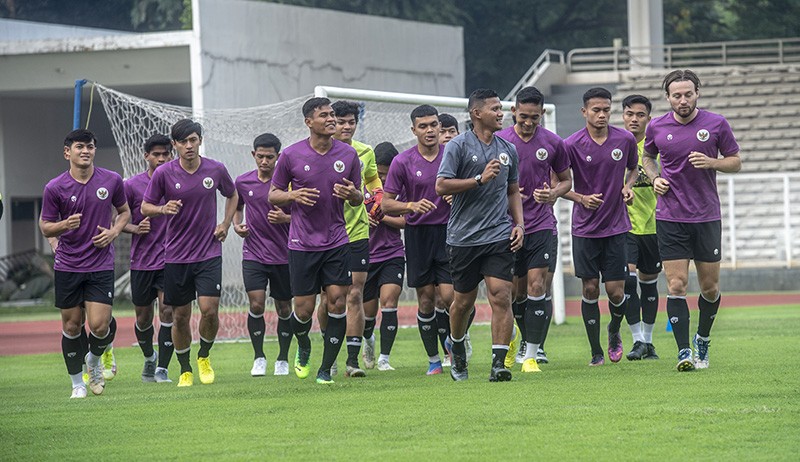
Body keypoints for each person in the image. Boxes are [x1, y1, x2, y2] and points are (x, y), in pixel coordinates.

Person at [642, 69, 741, 371]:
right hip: (670, 216)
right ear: (668, 97)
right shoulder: (656, 126)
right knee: (676, 284)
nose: (682, 100)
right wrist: (655, 177)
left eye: (688, 94)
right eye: (676, 95)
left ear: (697, 93)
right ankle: (684, 351)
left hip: (706, 216)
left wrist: (712, 162)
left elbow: (735, 162)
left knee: (709, 288)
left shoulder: (716, 123)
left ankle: (703, 339)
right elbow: (647, 157)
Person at [269, 97, 363, 385]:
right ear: (309, 122)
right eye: (324, 115)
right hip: (301, 243)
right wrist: (292, 196)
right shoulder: (291, 155)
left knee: (337, 303)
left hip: (336, 241)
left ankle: (325, 370)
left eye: (332, 114)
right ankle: (305, 346)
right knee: (303, 310)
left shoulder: (348, 155)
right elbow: (273, 194)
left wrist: (352, 195)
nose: (331, 119)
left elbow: (359, 196)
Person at [436, 88, 525, 382]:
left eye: (501, 108)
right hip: (463, 239)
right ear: (477, 114)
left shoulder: (508, 149)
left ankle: (499, 363)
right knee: (462, 302)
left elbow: (513, 191)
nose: (501, 114)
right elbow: (441, 186)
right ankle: (457, 347)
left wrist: (519, 225)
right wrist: (478, 179)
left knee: (501, 296)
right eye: (495, 109)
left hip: (498, 236)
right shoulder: (457, 146)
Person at [141, 119, 238, 387]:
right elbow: (146, 206)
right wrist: (163, 209)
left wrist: (225, 224)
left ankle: (204, 357)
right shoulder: (164, 173)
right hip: (176, 256)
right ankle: (184, 369)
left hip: (208, 252)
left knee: (209, 310)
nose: (189, 146)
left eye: (193, 140)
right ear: (175, 145)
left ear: (199, 141)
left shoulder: (215, 169)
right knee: (180, 316)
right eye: (183, 141)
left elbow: (232, 195)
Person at [40, 129, 131, 398]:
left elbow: (125, 212)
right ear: (67, 152)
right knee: (71, 326)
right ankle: (77, 383)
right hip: (68, 266)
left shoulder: (112, 180)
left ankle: (93, 360)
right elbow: (45, 226)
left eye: (90, 147)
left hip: (101, 264)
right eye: (80, 147)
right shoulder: (54, 187)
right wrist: (63, 225)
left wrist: (114, 233)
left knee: (100, 326)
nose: (86, 151)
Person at [497, 86, 571, 373]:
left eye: (534, 118)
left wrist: (553, 193)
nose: (528, 123)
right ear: (513, 112)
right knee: (514, 294)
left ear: (542, 115)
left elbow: (566, 181)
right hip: (507, 226)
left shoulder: (553, 143)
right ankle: (515, 340)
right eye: (523, 117)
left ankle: (532, 353)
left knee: (537, 285)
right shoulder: (500, 141)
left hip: (541, 225)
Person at [562, 87, 638, 366]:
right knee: (590, 289)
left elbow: (634, 169)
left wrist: (628, 187)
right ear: (584, 112)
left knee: (617, 292)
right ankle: (595, 351)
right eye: (596, 110)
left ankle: (614, 330)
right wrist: (580, 198)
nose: (602, 114)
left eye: (606, 109)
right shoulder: (570, 144)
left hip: (617, 226)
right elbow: (558, 183)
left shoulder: (625, 139)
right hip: (584, 228)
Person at [382, 104, 453, 376]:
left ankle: (454, 339)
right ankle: (434, 360)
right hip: (418, 235)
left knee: (452, 297)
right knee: (425, 300)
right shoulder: (403, 162)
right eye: (423, 126)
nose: (430, 130)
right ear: (414, 130)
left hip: (450, 232)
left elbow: (471, 190)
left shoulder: (453, 155)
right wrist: (410, 206)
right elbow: (387, 205)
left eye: (433, 125)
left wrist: (458, 196)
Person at [315, 100, 382, 377]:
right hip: (323, 235)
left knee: (355, 293)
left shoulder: (365, 152)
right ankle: (329, 350)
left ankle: (352, 361)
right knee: (329, 299)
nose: (345, 126)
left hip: (356, 233)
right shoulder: (315, 153)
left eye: (350, 122)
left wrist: (377, 198)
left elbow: (374, 181)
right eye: (340, 121)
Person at [233, 133, 294, 377]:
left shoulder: (289, 185)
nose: (265, 161)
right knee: (256, 303)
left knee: (284, 308)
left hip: (285, 255)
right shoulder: (243, 182)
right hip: (254, 254)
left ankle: (282, 358)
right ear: (253, 155)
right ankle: (259, 357)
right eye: (260, 156)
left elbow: (307, 214)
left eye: (270, 157)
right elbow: (237, 208)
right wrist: (237, 226)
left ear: (278, 157)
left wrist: (285, 218)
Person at [123, 134, 175, 383]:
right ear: (147, 156)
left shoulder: (178, 184)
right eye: (157, 154)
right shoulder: (131, 186)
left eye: (166, 154)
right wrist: (134, 228)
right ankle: (148, 357)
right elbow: (116, 220)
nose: (162, 159)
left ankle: (162, 369)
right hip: (142, 261)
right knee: (143, 318)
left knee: (168, 312)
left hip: (171, 260)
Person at [620, 95, 662, 361]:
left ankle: (648, 341)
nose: (634, 119)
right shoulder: (616, 144)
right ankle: (636, 339)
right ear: (623, 116)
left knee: (649, 285)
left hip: (656, 224)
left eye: (640, 115)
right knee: (627, 281)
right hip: (624, 225)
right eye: (629, 114)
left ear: (648, 118)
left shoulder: (655, 146)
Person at [363, 142, 406, 371]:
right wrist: (363, 216)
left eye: (387, 173)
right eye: (379, 173)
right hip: (366, 255)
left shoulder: (400, 189)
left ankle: (385, 359)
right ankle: (368, 341)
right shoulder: (360, 187)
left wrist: (381, 217)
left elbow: (404, 222)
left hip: (392, 252)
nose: (383, 178)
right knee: (367, 315)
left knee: (389, 302)